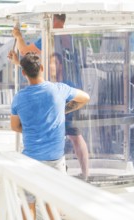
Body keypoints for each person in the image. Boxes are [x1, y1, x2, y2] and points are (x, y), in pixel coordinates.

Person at [8, 52, 90, 220]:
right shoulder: (59, 89)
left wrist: (34, 128)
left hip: (30, 160)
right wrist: (64, 109)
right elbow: (85, 97)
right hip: (55, 161)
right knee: (51, 206)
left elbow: (15, 127)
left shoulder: (19, 99)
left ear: (23, 73)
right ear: (43, 68)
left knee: (28, 203)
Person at [50, 52, 89, 180]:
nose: (52, 66)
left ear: (60, 66)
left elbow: (80, 98)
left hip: (68, 117)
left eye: (54, 63)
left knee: (76, 137)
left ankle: (85, 173)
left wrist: (64, 110)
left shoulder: (67, 84)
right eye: (50, 63)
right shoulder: (48, 84)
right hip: (54, 120)